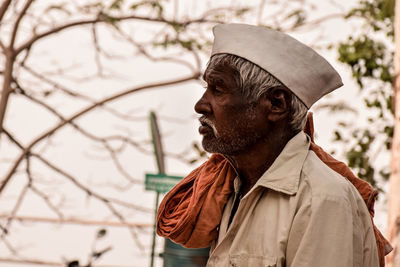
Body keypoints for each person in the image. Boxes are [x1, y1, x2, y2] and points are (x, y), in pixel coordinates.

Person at [157, 23, 388, 267]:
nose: (201, 105)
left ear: (276, 104)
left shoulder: (321, 198)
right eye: (207, 89)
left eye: (218, 90)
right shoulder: (233, 190)